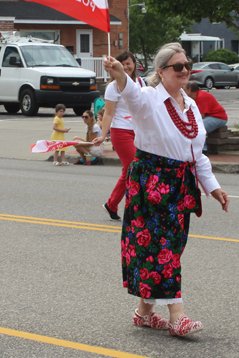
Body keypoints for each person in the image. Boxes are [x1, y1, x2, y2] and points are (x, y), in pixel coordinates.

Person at [103, 43, 229, 337]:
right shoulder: (148, 99)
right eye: (178, 66)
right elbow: (130, 93)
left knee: (171, 248)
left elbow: (196, 152)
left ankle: (144, 313)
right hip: (152, 183)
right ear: (161, 72)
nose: (185, 71)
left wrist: (213, 187)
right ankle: (178, 316)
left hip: (180, 184)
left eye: (187, 64)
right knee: (162, 250)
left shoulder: (191, 105)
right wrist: (120, 74)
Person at [93, 51, 146, 220]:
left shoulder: (140, 82)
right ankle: (136, 209)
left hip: (139, 132)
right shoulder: (112, 87)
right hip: (121, 132)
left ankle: (112, 204)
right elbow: (108, 114)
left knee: (129, 171)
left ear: (134, 64)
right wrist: (102, 135)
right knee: (135, 169)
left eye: (129, 63)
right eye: (122, 63)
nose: (126, 67)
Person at [183, 81, 228, 154]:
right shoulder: (192, 98)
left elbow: (201, 116)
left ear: (190, 89)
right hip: (210, 117)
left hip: (218, 118)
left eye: (184, 89)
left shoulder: (202, 96)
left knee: (198, 128)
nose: (183, 92)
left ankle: (203, 150)